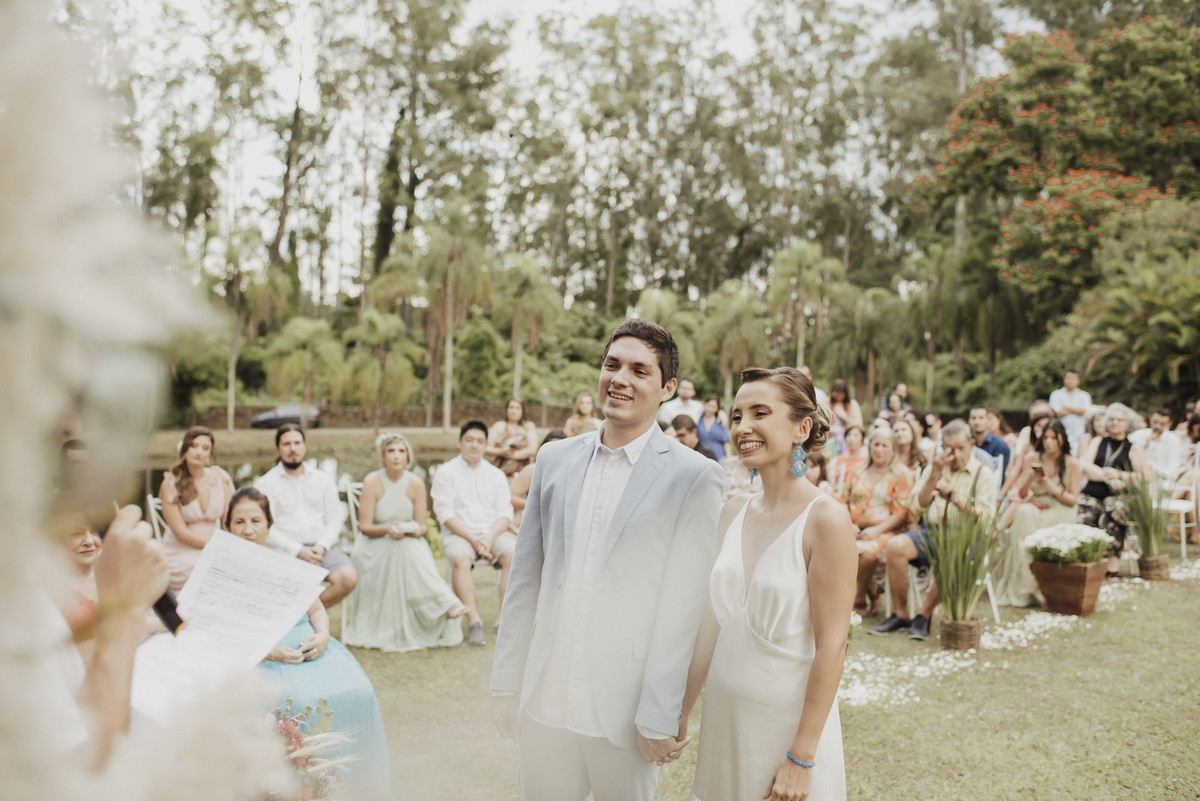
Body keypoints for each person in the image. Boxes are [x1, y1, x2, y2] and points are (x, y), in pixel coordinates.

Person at [491, 319, 724, 801]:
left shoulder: (695, 476)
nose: (619, 379)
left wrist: (659, 713)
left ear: (668, 388)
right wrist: (506, 683)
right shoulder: (553, 459)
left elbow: (683, 610)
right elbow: (525, 583)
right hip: (545, 702)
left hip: (625, 711)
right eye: (612, 365)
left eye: (639, 370)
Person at [684, 366, 854, 801]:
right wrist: (679, 711)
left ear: (802, 428)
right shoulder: (732, 511)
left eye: (760, 413)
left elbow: (833, 645)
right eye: (737, 415)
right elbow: (709, 627)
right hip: (724, 724)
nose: (743, 426)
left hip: (787, 730)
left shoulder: (827, 519)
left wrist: (801, 757)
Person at [226, 488, 390, 795]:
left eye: (255, 521)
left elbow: (315, 608)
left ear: (269, 526)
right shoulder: (224, 569)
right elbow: (225, 630)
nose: (248, 529)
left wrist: (324, 634)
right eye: (239, 522)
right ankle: (301, 785)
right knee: (300, 701)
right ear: (228, 528)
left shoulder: (287, 562)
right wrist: (266, 652)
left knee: (359, 690)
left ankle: (358, 782)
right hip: (260, 650)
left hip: (306, 641)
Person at [869, 420, 996, 640]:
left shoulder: (983, 473)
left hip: (967, 536)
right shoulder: (934, 468)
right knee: (895, 546)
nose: (955, 454)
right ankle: (900, 613)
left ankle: (923, 614)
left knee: (952, 557)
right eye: (949, 449)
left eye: (960, 448)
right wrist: (935, 472)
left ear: (972, 444)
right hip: (932, 531)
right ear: (942, 447)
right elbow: (917, 505)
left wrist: (954, 497)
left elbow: (985, 518)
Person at [345, 433, 467, 652]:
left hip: (406, 540)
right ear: (383, 456)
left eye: (401, 451)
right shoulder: (372, 481)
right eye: (391, 451)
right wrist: (388, 529)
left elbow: (422, 526)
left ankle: (443, 603)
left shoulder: (416, 483)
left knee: (408, 548)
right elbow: (365, 527)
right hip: (374, 543)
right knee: (401, 550)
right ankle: (445, 602)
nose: (396, 456)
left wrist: (408, 529)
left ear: (408, 456)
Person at [432, 420, 515, 647]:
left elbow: (505, 513)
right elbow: (445, 514)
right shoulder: (445, 473)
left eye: (480, 441)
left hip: (493, 533)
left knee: (513, 553)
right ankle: (474, 620)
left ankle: (504, 619)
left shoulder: (496, 475)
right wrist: (474, 540)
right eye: (469, 440)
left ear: (486, 445)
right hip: (460, 534)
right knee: (460, 559)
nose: (474, 445)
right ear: (460, 442)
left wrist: (488, 538)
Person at [256, 424, 357, 608]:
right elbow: (266, 528)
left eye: (297, 443)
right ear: (277, 449)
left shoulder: (323, 479)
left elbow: (335, 517)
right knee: (289, 585)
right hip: (285, 551)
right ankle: (304, 616)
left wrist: (322, 546)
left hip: (321, 548)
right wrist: (298, 550)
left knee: (348, 577)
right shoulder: (266, 484)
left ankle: (302, 614)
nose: (292, 448)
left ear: (304, 446)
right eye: (287, 444)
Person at [992, 420, 1081, 607]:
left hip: (1060, 506)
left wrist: (1053, 489)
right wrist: (1030, 478)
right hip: (1036, 503)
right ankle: (1023, 589)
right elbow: (1022, 493)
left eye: (1053, 438)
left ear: (1062, 440)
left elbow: (1073, 500)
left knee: (1035, 520)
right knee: (1024, 514)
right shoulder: (1033, 458)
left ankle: (1042, 588)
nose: (1048, 442)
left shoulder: (1071, 463)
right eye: (1045, 438)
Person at [838, 429, 916, 616]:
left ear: (893, 450)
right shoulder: (857, 471)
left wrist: (876, 530)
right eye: (876, 445)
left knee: (868, 552)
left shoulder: (901, 473)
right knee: (835, 548)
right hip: (854, 529)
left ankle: (858, 596)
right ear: (870, 447)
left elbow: (902, 512)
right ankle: (871, 587)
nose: (879, 449)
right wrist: (850, 525)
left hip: (888, 531)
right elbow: (843, 501)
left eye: (884, 446)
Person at [158, 426, 234, 594]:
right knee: (207, 569)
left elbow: (229, 523)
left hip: (215, 547)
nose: (199, 452)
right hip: (181, 552)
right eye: (194, 446)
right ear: (185, 449)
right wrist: (217, 545)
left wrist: (229, 547)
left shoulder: (221, 479)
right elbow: (181, 533)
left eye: (205, 448)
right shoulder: (170, 484)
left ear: (210, 454)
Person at [1077, 404, 1149, 580]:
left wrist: (1120, 475)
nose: (1114, 423)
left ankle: (1112, 566)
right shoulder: (1098, 442)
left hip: (1119, 496)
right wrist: (1107, 476)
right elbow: (1085, 465)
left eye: (1119, 420)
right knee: (1086, 509)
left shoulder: (1133, 448)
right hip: (1094, 492)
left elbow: (1145, 477)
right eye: (1111, 419)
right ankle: (1090, 562)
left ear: (1128, 424)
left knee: (1112, 511)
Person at [58, 521, 101, 661]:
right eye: (76, 533)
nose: (89, 541)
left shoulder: (114, 572)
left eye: (94, 531)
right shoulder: (53, 591)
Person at [510, 430, 568, 533]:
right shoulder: (533, 470)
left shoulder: (568, 473)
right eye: (551, 448)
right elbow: (510, 497)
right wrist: (537, 505)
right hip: (532, 523)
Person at [487, 398, 541, 478]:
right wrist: (501, 452)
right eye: (511, 407)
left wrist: (509, 455)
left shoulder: (529, 426)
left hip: (523, 472)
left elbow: (532, 450)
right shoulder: (498, 426)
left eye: (517, 408)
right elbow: (487, 448)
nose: (514, 411)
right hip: (500, 471)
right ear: (506, 410)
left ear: (522, 410)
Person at [1129, 407, 1184, 480]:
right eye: (1155, 422)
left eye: (1162, 424)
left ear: (1169, 423)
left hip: (1162, 480)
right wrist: (1146, 445)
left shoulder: (1173, 440)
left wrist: (1153, 471)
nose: (1157, 426)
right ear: (1150, 419)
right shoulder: (1138, 435)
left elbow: (1172, 471)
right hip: (1139, 478)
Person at [1049, 369, 1091, 456]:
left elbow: (1084, 411)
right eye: (1068, 378)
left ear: (1078, 381)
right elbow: (1058, 413)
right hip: (1061, 433)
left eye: (1073, 379)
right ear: (1064, 380)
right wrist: (1077, 410)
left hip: (1079, 434)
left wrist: (1066, 408)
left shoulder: (1084, 396)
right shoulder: (1056, 395)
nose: (1070, 381)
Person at [968, 405, 1011, 480]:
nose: (977, 422)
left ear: (988, 421)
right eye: (973, 418)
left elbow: (1000, 476)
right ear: (969, 421)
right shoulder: (966, 444)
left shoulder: (1000, 444)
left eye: (981, 418)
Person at [827, 379, 862, 454]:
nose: (838, 398)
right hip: (832, 442)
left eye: (841, 395)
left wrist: (843, 416)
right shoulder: (827, 403)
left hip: (848, 441)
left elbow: (859, 425)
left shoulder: (852, 404)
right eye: (836, 395)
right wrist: (832, 429)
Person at [829, 424, 867, 492]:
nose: (851, 438)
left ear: (862, 438)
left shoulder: (867, 461)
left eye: (856, 435)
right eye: (849, 435)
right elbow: (831, 482)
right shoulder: (836, 459)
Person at [697, 395, 732, 462]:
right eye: (708, 405)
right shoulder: (698, 419)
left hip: (719, 458)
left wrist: (729, 457)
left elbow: (726, 441)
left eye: (713, 406)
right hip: (702, 458)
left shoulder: (721, 421)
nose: (710, 409)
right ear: (705, 405)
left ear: (717, 409)